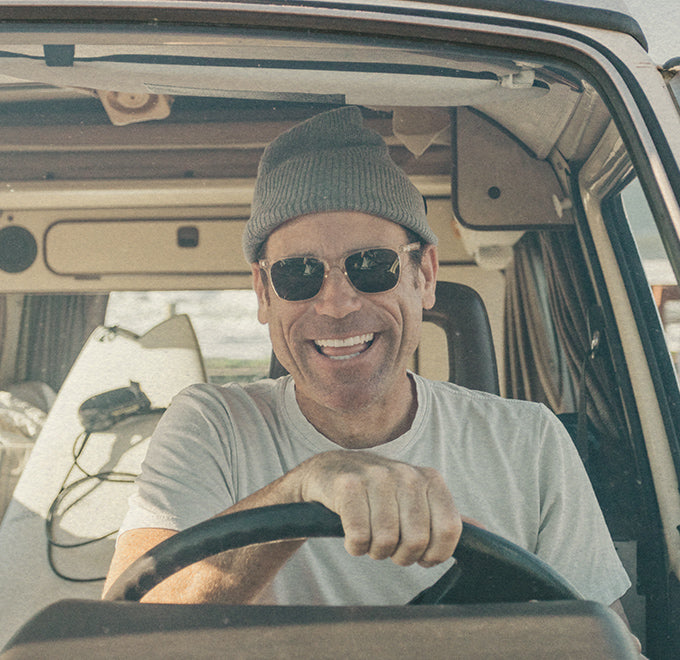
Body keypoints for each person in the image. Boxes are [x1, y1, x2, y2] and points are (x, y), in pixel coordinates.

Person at [103, 106, 631, 612]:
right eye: (298, 274)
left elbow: (605, 639)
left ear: (424, 275)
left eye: (371, 266)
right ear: (264, 293)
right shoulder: (212, 425)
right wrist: (302, 487)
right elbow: (128, 623)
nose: (336, 304)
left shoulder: (528, 441)